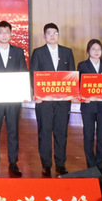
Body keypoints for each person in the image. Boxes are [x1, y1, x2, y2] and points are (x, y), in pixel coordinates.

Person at [0, 21, 27, 178]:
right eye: (1, 32)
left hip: (13, 99)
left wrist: (24, 93)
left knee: (13, 131)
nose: (4, 35)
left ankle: (13, 162)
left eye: (7, 32)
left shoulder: (18, 52)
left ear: (11, 33)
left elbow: (23, 72)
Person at [29, 23, 76, 177]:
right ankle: (46, 164)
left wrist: (72, 93)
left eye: (55, 33)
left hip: (63, 102)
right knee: (44, 132)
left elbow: (71, 75)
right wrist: (37, 94)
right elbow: (33, 74)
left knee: (61, 133)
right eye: (49, 33)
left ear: (58, 35)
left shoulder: (67, 52)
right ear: (44, 36)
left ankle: (61, 164)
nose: (52, 36)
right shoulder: (38, 52)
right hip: (44, 101)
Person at [78, 39, 102, 175]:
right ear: (88, 51)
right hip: (88, 106)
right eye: (93, 49)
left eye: (99, 49)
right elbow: (78, 85)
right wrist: (82, 96)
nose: (96, 51)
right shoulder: (82, 65)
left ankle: (100, 166)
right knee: (88, 136)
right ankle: (91, 166)